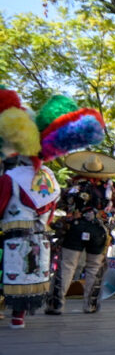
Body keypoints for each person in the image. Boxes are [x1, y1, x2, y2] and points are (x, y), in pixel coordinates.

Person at [0, 90, 62, 328]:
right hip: (40, 233)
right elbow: (52, 207)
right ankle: (19, 317)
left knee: (11, 269)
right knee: (30, 272)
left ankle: (13, 315)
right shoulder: (51, 177)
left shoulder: (11, 177)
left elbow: (1, 204)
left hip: (13, 231)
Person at [46, 151, 115, 315]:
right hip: (99, 230)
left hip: (76, 229)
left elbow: (59, 204)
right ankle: (90, 305)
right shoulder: (109, 188)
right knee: (94, 268)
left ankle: (56, 305)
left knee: (67, 266)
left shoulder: (73, 186)